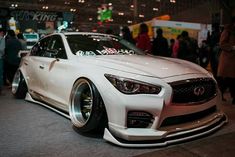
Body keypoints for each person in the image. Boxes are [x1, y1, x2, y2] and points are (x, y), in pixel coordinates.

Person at [217, 16, 235, 104]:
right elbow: (222, 44)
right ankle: (219, 94)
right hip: (228, 59)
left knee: (231, 80)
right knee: (228, 79)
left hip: (232, 59)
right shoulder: (227, 31)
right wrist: (232, 47)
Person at [0, 28, 5, 95]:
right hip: (0, 58)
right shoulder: (2, 39)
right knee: (0, 74)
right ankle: (0, 90)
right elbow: (2, 49)